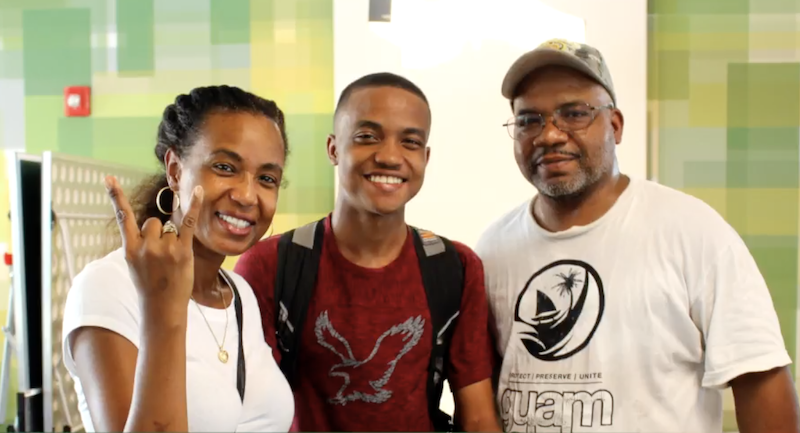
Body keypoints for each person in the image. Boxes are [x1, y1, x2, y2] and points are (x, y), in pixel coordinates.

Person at [476, 38, 800, 433]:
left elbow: (761, 383)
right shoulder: (492, 249)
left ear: (615, 126)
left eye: (574, 113)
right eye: (529, 120)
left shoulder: (693, 232)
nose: (549, 135)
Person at [234, 72, 501, 432]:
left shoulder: (456, 268)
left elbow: (479, 418)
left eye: (409, 142)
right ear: (333, 148)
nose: (390, 156)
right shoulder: (271, 266)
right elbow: (244, 413)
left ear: (426, 157)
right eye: (366, 137)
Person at [61, 85, 294, 432]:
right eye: (225, 167)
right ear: (174, 169)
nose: (248, 195)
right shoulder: (108, 287)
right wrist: (163, 309)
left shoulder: (239, 292)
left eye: (266, 178)